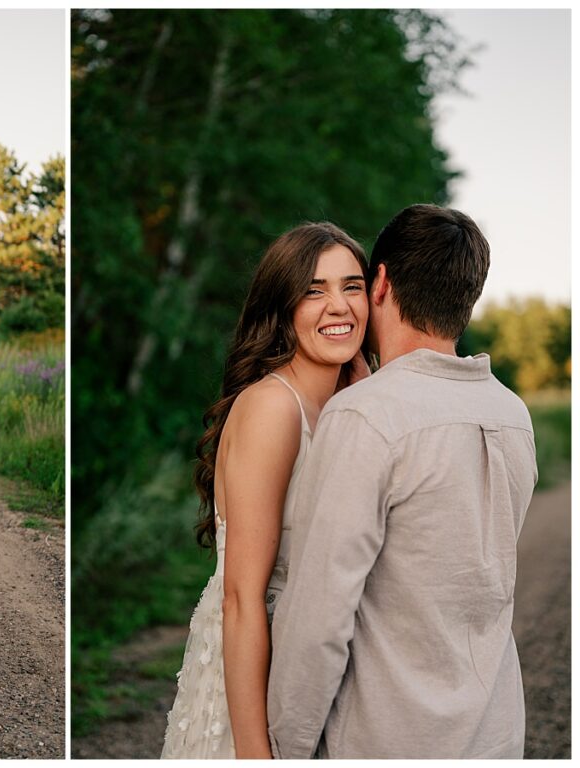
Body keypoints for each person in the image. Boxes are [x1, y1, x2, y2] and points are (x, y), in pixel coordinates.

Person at [267, 205, 537, 759]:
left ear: (381, 282)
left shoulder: (365, 417)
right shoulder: (514, 415)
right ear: (466, 297)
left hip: (385, 737)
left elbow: (319, 618)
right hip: (495, 735)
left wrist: (287, 748)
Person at [161, 222, 370, 758]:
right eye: (314, 290)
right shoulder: (274, 407)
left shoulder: (351, 403)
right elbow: (241, 598)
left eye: (352, 286)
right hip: (257, 675)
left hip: (316, 671)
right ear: (283, 307)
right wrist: (256, 754)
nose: (339, 306)